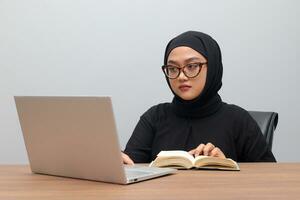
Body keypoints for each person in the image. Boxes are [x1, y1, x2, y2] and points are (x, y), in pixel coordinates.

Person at [122, 31, 276, 165]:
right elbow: (131, 168)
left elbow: (270, 179)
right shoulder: (154, 117)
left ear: (213, 67)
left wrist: (227, 166)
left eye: (192, 66)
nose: (181, 76)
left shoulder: (238, 120)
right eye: (173, 68)